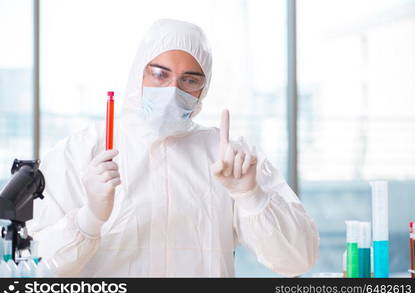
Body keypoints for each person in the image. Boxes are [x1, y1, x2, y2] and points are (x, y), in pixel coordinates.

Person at [27, 19, 319, 277]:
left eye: (189, 80)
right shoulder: (81, 151)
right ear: (139, 72)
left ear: (203, 89)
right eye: (160, 74)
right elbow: (38, 269)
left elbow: (296, 260)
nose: (172, 90)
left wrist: (250, 195)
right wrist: (90, 216)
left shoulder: (230, 157)